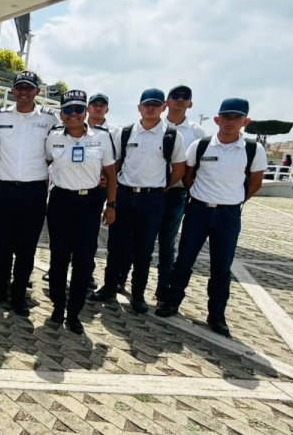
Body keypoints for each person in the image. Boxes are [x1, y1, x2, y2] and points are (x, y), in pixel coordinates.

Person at [155, 98, 266, 337]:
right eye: (226, 117)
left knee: (221, 267)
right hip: (198, 211)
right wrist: (199, 195)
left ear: (245, 121)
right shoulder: (200, 145)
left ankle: (216, 315)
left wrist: (235, 201)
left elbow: (256, 183)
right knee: (184, 260)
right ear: (217, 119)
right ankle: (172, 302)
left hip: (229, 215)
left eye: (237, 117)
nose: (230, 122)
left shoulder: (252, 149)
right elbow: (187, 175)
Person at [91, 88, 185, 314]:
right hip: (124, 195)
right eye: (146, 104)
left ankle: (138, 295)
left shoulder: (172, 135)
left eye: (155, 104)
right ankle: (109, 287)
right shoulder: (126, 132)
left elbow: (179, 169)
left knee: (144, 251)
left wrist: (162, 186)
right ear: (139, 107)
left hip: (152, 199)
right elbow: (115, 166)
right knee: (116, 246)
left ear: (163, 107)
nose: (150, 108)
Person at [0, 71, 59, 317]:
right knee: (1, 245)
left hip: (33, 191)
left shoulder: (49, 119)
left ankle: (18, 295)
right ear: (12, 91)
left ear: (37, 91)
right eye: (19, 87)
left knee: (26, 248)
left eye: (29, 88)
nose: (24, 92)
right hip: (3, 189)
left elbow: (54, 152)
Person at [44, 90, 117, 334]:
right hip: (60, 202)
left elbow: (110, 174)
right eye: (68, 110)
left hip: (89, 204)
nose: (73, 114)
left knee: (84, 261)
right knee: (58, 258)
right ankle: (57, 305)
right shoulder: (52, 137)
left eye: (78, 109)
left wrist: (112, 204)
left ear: (85, 112)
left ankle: (74, 312)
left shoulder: (103, 137)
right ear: (61, 113)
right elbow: (44, 165)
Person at [154, 84, 207, 302]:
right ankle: (120, 280)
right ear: (166, 102)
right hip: (151, 191)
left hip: (176, 193)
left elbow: (198, 167)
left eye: (185, 97)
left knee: (168, 241)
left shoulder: (196, 132)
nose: (180, 100)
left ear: (190, 103)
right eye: (175, 96)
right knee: (137, 239)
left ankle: (163, 284)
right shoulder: (154, 124)